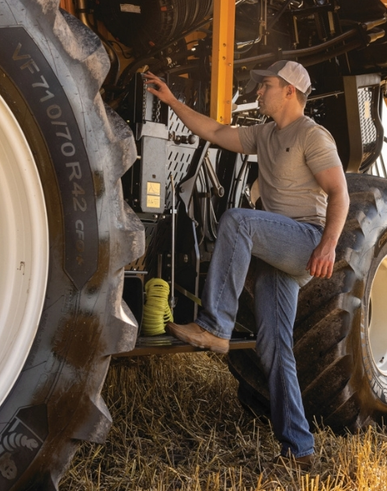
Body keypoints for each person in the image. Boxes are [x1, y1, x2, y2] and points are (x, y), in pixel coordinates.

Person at [142, 60, 348, 468]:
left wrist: (327, 246)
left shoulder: (312, 135)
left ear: (290, 90)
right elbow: (216, 132)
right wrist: (172, 101)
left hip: (304, 240)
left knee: (238, 221)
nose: (258, 92)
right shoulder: (265, 134)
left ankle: (215, 327)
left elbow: (339, 193)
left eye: (266, 86)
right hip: (277, 248)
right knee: (275, 349)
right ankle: (300, 450)